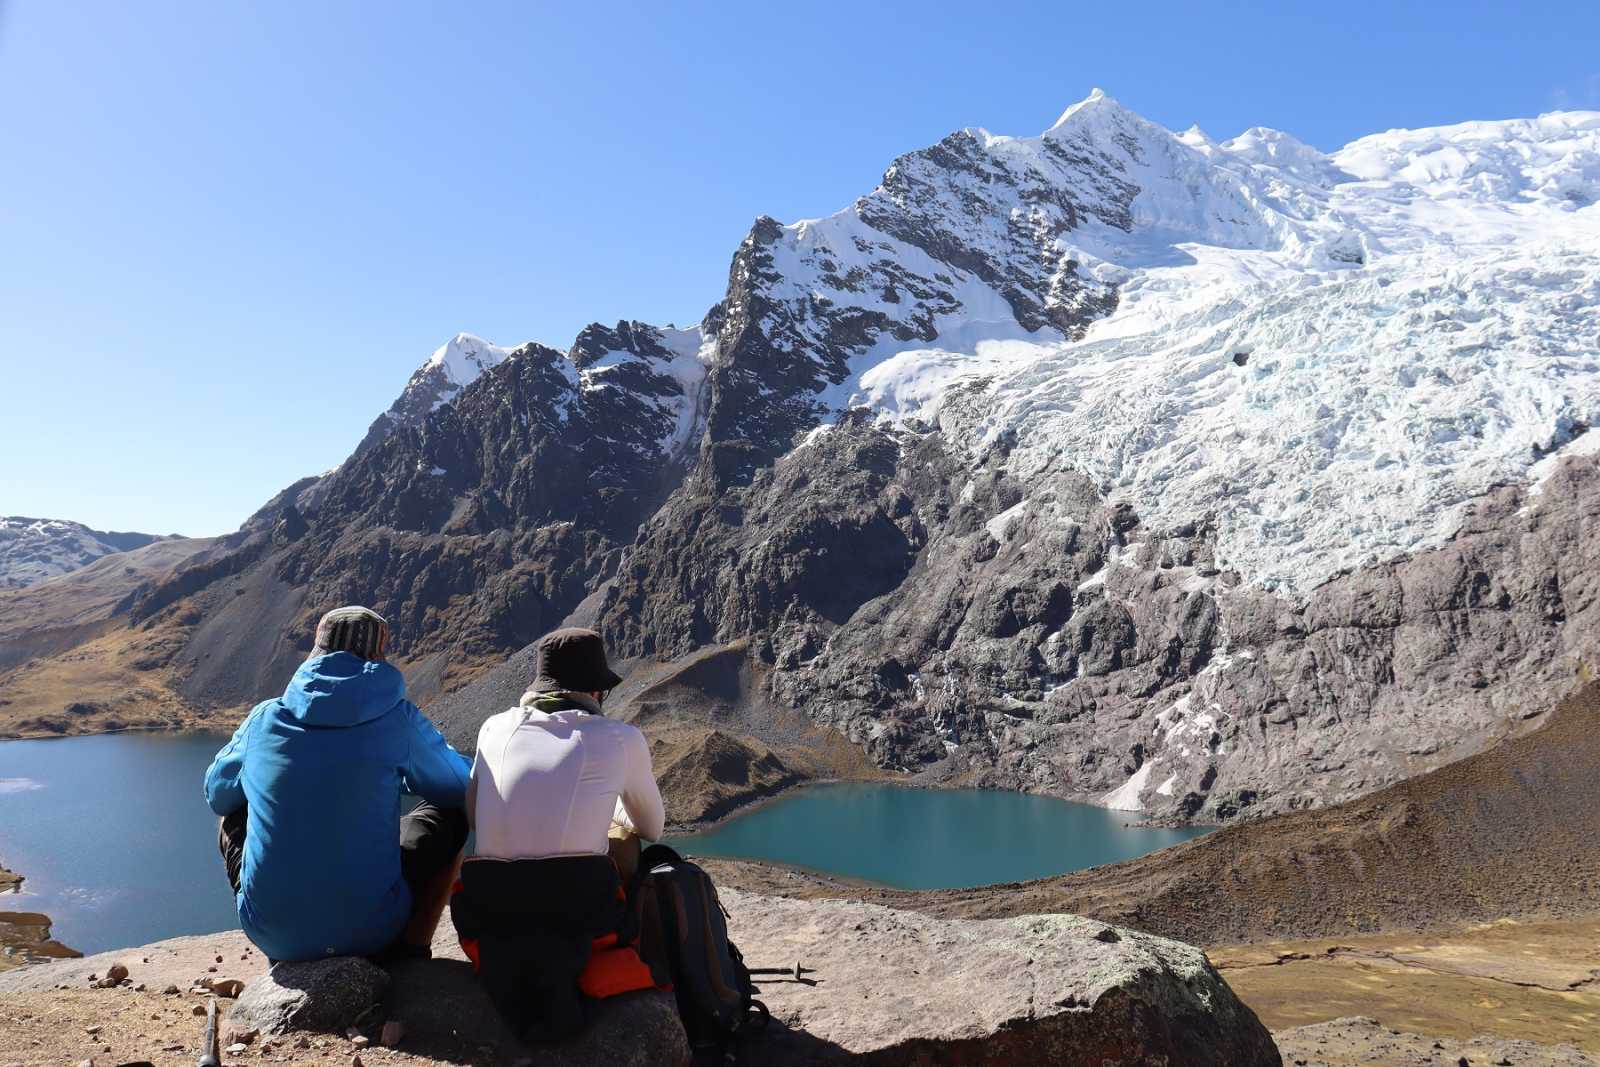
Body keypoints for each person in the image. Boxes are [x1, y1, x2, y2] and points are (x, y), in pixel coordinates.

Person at [203, 605, 471, 964]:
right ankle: (413, 949)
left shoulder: (265, 718)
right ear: (378, 655)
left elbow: (217, 794)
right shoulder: (397, 718)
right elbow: (457, 786)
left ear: (317, 651)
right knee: (452, 816)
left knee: (233, 811)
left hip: (273, 936)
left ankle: (290, 930)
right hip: (374, 930)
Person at [451, 626, 664, 1039]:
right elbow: (652, 828)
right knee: (624, 837)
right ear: (596, 691)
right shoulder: (622, 738)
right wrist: (610, 811)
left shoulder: (493, 728)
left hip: (491, 909)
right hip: (580, 909)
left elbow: (476, 817)